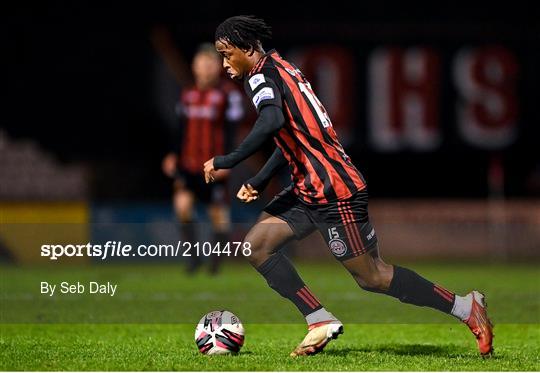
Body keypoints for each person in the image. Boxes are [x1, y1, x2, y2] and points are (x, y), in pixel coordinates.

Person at [204, 15, 493, 357]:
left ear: (249, 49)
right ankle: (318, 319)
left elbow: (272, 120)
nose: (224, 64)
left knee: (373, 276)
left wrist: (227, 160)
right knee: (257, 245)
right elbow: (295, 135)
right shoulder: (283, 68)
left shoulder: (261, 77)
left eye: (227, 54)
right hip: (309, 187)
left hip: (333, 191)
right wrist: (260, 178)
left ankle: (465, 307)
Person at [161, 42, 245, 274]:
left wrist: (227, 160)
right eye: (201, 63)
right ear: (194, 67)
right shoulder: (187, 94)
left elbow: (232, 131)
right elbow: (181, 129)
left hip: (213, 165)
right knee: (182, 206)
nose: (205, 68)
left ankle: (215, 264)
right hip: (188, 164)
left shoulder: (227, 95)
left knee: (218, 216)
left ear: (217, 67)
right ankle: (194, 258)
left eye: (210, 63)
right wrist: (172, 155)